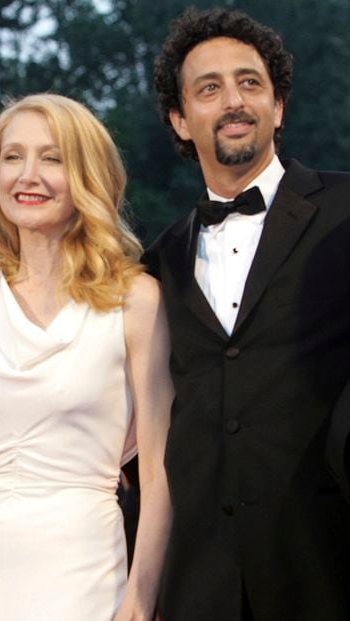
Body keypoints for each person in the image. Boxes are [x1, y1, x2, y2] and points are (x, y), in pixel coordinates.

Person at [0, 93, 173, 621]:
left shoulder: (136, 301)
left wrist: (140, 600)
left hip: (86, 574)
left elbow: (159, 472)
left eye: (52, 158)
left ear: (87, 176)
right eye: (12, 156)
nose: (28, 175)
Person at [147, 7, 350, 620]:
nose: (233, 100)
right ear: (180, 121)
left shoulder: (346, 211)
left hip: (330, 568)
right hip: (201, 585)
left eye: (250, 82)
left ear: (279, 106)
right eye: (209, 88)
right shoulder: (153, 267)